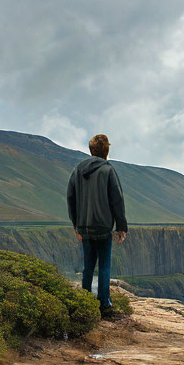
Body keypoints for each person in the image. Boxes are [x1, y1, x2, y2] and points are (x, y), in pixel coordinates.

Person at [66, 134, 128, 316]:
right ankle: (104, 305)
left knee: (88, 266)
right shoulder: (108, 170)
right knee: (104, 267)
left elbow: (70, 198)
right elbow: (117, 200)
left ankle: (85, 302)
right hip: (103, 227)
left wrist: (76, 225)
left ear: (90, 150)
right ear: (107, 150)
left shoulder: (78, 170)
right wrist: (121, 227)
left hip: (84, 227)